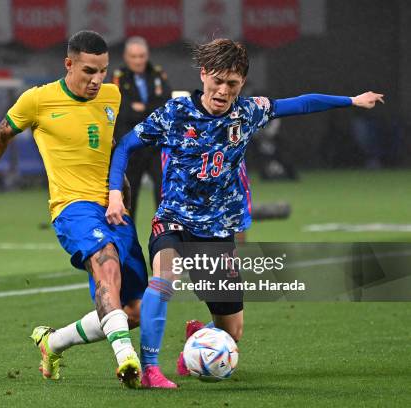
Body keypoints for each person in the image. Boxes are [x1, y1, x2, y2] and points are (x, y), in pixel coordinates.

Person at [106, 38, 384, 388]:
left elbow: (299, 104)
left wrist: (351, 101)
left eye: (232, 84)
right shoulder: (175, 114)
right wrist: (116, 194)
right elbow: (125, 146)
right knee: (163, 279)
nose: (223, 91)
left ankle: (196, 342)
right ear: (204, 74)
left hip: (218, 231)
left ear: (242, 84)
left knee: (232, 334)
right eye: (217, 81)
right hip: (174, 219)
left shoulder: (249, 112)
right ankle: (149, 369)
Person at [0, 31, 147, 389]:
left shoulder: (113, 95)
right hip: (72, 207)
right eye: (89, 71)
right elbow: (0, 135)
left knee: (134, 311)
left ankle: (53, 342)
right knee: (105, 262)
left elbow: (113, 154)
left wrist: (121, 198)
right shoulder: (38, 100)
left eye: (103, 71)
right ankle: (126, 359)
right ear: (69, 64)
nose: (97, 80)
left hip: (113, 208)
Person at [113, 36, 171, 220]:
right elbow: (121, 111)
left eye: (141, 56)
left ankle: (165, 233)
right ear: (126, 57)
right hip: (131, 146)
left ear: (147, 55)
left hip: (156, 146)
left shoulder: (157, 74)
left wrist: (140, 109)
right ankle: (127, 240)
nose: (138, 60)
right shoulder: (118, 78)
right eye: (134, 56)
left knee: (164, 192)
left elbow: (165, 106)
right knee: (129, 195)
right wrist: (147, 112)